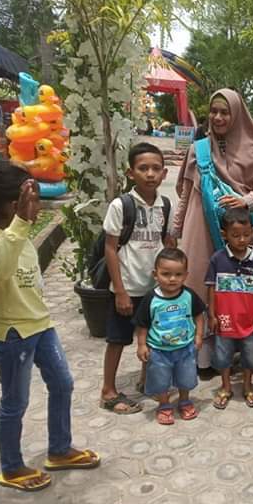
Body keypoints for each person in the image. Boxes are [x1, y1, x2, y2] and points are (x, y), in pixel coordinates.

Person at [0, 163, 100, 492]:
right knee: (15, 402)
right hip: (12, 334)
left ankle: (59, 449)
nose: (39, 206)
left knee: (62, 383)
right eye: (34, 200)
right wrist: (19, 224)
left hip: (41, 325)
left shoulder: (22, 234)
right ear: (14, 205)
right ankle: (12, 467)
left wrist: (21, 225)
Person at [172, 88, 253, 377]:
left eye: (225, 112)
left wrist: (246, 201)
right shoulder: (199, 149)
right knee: (200, 283)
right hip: (199, 227)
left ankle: (236, 350)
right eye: (214, 111)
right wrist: (175, 230)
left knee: (235, 290)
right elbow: (185, 194)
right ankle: (201, 357)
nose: (218, 117)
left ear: (237, 115)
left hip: (237, 232)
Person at [101, 142, 173, 414]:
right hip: (128, 286)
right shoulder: (121, 205)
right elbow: (110, 248)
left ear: (164, 173)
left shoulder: (165, 205)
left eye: (156, 168)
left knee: (152, 336)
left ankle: (146, 379)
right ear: (131, 173)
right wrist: (120, 291)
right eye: (143, 168)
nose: (150, 174)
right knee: (117, 339)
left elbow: (167, 242)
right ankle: (108, 391)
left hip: (154, 289)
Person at [134, 248, 206, 425]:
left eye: (178, 274)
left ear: (186, 275)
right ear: (155, 274)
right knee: (160, 380)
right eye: (166, 274)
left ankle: (185, 401)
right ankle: (164, 405)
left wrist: (198, 335)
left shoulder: (189, 295)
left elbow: (199, 315)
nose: (172, 279)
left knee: (186, 377)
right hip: (158, 350)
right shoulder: (151, 298)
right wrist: (142, 345)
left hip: (186, 348)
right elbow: (142, 324)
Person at [205, 208, 253, 409]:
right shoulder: (217, 259)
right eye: (236, 235)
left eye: (246, 235)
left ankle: (247, 386)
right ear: (224, 235)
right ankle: (226, 387)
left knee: (250, 356)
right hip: (224, 320)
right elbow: (211, 288)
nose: (241, 240)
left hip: (249, 321)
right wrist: (211, 314)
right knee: (223, 356)